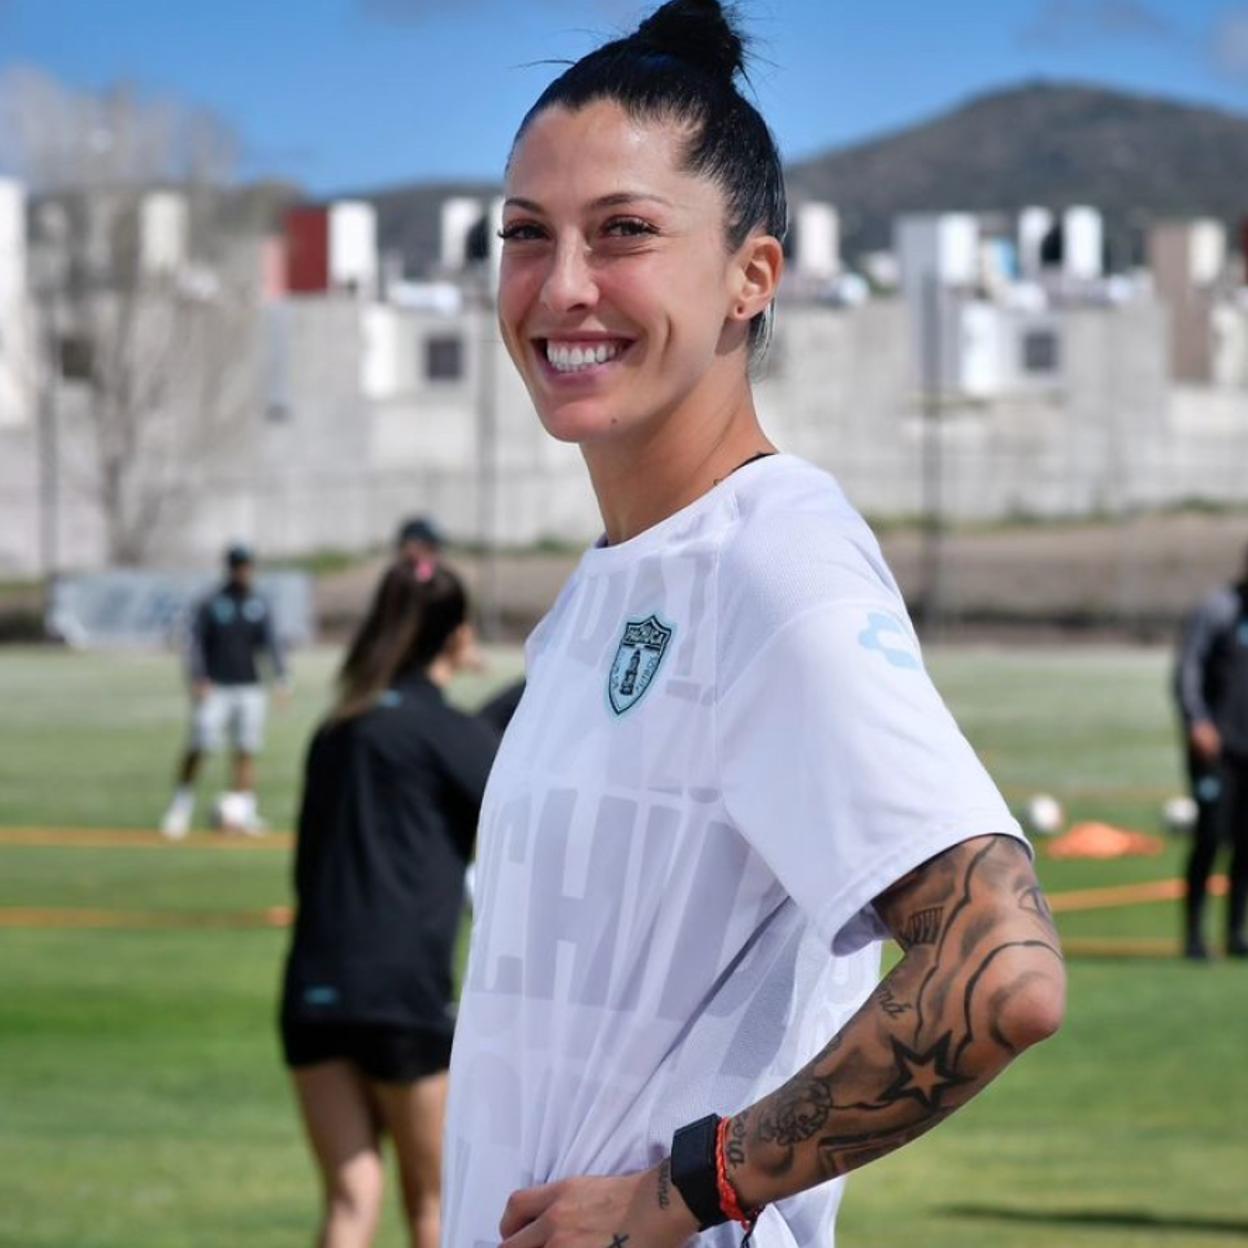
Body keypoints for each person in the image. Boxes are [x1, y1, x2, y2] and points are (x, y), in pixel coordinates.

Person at [441, 4, 1067, 1246]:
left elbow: (1001, 971)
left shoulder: (776, 563)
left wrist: (688, 1190)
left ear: (752, 277)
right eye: (526, 235)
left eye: (623, 233)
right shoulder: (601, 594)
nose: (562, 285)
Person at [280, 557, 499, 1248]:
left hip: (312, 986)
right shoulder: (454, 737)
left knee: (350, 1200)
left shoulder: (337, 727)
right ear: (457, 638)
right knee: (434, 1206)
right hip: (403, 993)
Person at [160, 544, 289, 838]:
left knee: (246, 749)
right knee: (201, 744)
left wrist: (281, 679)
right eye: (240, 566)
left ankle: (244, 811)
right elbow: (195, 644)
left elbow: (272, 644)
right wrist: (198, 677)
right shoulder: (211, 602)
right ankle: (180, 806)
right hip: (216, 686)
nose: (245, 571)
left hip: (250, 686)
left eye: (248, 566)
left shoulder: (258, 603)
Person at [1173, 545, 1248, 960]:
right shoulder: (1217, 609)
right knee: (1210, 837)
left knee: (1245, 843)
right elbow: (1188, 668)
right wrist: (1197, 721)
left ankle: (1236, 933)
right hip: (1215, 751)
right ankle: (1194, 937)